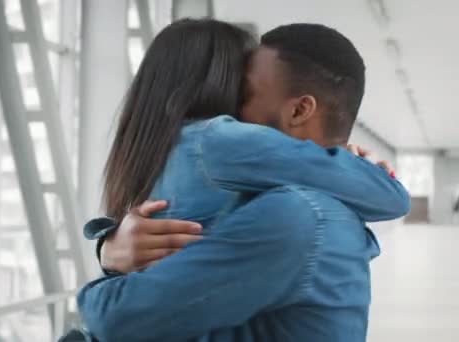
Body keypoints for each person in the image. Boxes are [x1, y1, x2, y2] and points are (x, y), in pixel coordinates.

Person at [76, 20, 410, 341]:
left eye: (244, 94)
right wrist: (351, 168)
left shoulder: (166, 152)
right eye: (241, 92)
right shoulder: (218, 141)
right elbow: (392, 198)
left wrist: (106, 257)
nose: (239, 112)